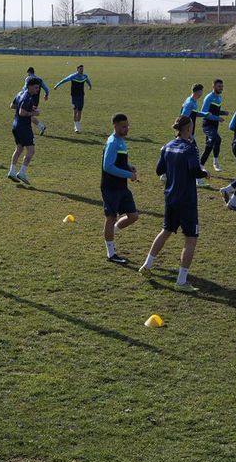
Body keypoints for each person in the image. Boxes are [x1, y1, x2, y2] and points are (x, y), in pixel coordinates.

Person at [138, 115, 206, 292]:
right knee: (191, 238)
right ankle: (181, 281)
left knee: (166, 230)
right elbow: (195, 170)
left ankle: (147, 265)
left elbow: (159, 170)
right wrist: (204, 173)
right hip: (187, 200)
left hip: (170, 197)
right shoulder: (190, 148)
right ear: (188, 128)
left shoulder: (167, 146)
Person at [101, 113, 139, 264]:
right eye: (123, 126)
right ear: (115, 126)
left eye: (127, 126)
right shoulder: (113, 142)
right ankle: (111, 253)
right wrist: (128, 174)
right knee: (111, 217)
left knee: (133, 216)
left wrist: (128, 166)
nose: (126, 129)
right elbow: (108, 166)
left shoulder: (121, 141)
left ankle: (112, 232)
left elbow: (118, 161)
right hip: (111, 187)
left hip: (122, 186)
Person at [8, 77, 42, 184]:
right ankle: (22, 172)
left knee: (18, 149)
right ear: (30, 87)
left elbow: (12, 106)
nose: (38, 90)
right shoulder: (28, 97)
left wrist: (29, 109)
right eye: (36, 87)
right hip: (24, 127)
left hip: (15, 126)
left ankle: (12, 171)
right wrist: (33, 113)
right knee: (31, 151)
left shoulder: (20, 93)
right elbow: (22, 113)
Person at [54, 65, 93, 133]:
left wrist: (90, 86)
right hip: (74, 96)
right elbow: (64, 80)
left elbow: (88, 81)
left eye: (82, 69)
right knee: (75, 111)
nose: (82, 70)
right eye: (80, 69)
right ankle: (76, 127)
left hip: (81, 96)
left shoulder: (85, 76)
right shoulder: (72, 76)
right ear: (77, 69)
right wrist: (57, 85)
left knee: (80, 111)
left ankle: (78, 125)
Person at [199, 79, 225, 171]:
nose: (221, 88)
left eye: (222, 86)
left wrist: (222, 112)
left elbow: (215, 111)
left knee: (213, 142)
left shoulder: (219, 97)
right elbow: (204, 112)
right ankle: (202, 165)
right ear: (213, 87)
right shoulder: (209, 97)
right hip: (207, 124)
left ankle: (213, 162)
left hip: (215, 125)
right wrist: (218, 118)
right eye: (219, 86)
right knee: (215, 139)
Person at [25, 67, 49, 135]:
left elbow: (25, 88)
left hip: (28, 99)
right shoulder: (39, 79)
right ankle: (37, 127)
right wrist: (46, 95)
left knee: (27, 115)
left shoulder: (28, 79)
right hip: (36, 101)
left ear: (29, 72)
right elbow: (46, 89)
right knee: (29, 115)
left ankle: (41, 126)